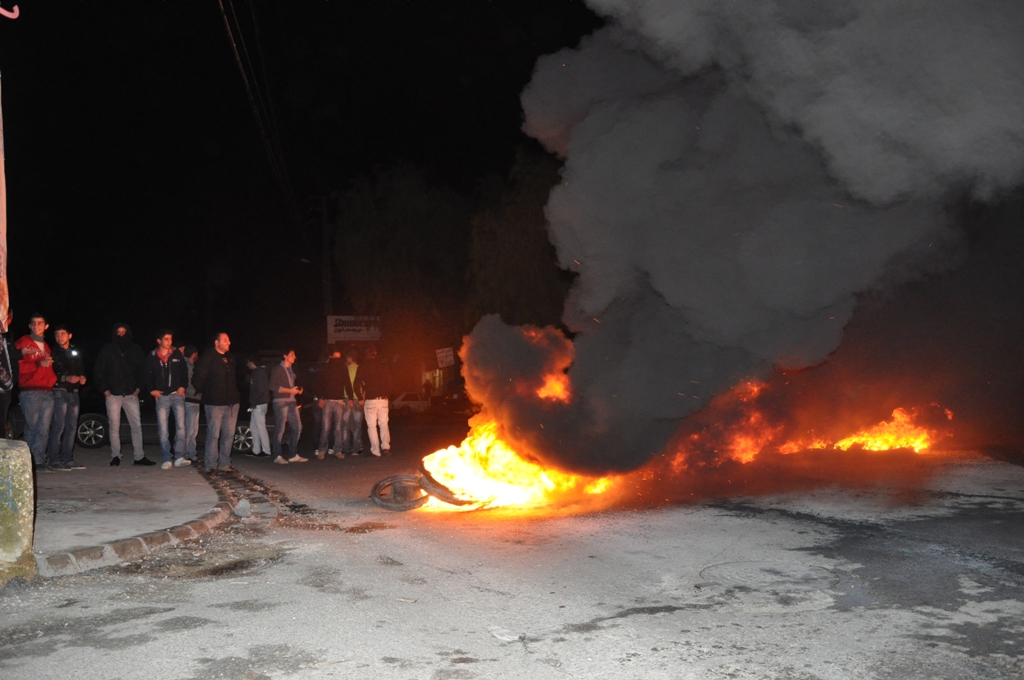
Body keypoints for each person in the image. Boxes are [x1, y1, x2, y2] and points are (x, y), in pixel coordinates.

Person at [94, 323, 153, 466]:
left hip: (131, 394)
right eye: (118, 332)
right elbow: (99, 370)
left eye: (124, 332)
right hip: (113, 394)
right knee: (114, 426)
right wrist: (104, 390)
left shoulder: (136, 349)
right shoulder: (107, 349)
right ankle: (116, 456)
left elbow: (143, 371)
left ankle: (139, 457)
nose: (121, 335)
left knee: (136, 426)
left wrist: (138, 388)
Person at [193, 332, 241, 473]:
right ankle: (211, 464)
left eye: (229, 340)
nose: (228, 342)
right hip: (215, 402)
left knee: (229, 434)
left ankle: (225, 462)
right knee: (214, 434)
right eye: (225, 340)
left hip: (232, 402)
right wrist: (206, 392)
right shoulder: (208, 358)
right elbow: (198, 378)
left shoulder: (230, 358)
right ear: (217, 342)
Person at [144, 329, 190, 470]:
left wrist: (183, 386)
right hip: (162, 397)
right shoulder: (152, 356)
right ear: (159, 341)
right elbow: (147, 374)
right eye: (166, 339)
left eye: (171, 339)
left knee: (181, 427)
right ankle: (166, 458)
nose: (169, 341)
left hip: (177, 395)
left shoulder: (177, 354)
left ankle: (179, 457)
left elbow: (184, 371)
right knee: (163, 429)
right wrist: (152, 391)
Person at [16, 314, 57, 471]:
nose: (36, 326)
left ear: (46, 326)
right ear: (29, 326)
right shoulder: (23, 343)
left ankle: (39, 460)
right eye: (33, 323)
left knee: (44, 428)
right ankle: (28, 461)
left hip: (47, 391)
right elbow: (18, 368)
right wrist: (39, 364)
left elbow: (48, 368)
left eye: (40, 323)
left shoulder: (45, 345)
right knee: (32, 427)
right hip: (31, 391)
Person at [47, 325, 87, 470]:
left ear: (69, 335)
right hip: (59, 391)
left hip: (74, 393)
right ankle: (54, 459)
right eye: (57, 334)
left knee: (71, 427)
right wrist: (66, 378)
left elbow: (80, 369)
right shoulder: (52, 351)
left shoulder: (74, 351)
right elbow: (51, 373)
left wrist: (82, 378)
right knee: (58, 426)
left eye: (62, 334)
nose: (59, 337)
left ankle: (68, 459)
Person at [269, 348, 307, 464]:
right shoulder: (278, 369)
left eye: (294, 354)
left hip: (292, 401)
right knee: (280, 429)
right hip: (281, 401)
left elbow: (292, 386)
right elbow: (273, 386)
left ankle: (293, 454)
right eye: (291, 354)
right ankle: (277, 455)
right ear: (285, 356)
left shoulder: (291, 370)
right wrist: (290, 390)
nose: (294, 357)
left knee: (297, 427)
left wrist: (298, 390)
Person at [313, 348, 349, 460]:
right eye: (335, 357)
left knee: (338, 427)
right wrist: (320, 398)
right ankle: (322, 450)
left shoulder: (343, 368)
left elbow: (347, 383)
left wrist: (351, 398)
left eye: (339, 357)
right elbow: (320, 384)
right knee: (326, 427)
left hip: (339, 401)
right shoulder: (325, 368)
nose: (337, 360)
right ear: (331, 357)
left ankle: (338, 450)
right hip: (328, 400)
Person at [359, 344, 393, 457]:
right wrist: (387, 394)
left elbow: (357, 383)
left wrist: (361, 397)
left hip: (370, 399)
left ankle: (375, 450)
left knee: (371, 426)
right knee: (383, 424)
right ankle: (386, 447)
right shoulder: (383, 366)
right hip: (383, 398)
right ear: (376, 353)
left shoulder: (363, 367)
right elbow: (390, 381)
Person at [246, 354, 271, 458]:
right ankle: (256, 450)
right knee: (253, 427)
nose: (247, 365)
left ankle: (266, 450)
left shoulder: (258, 373)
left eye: (248, 362)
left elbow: (259, 390)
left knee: (260, 427)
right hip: (259, 403)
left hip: (259, 404)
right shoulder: (258, 373)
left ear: (252, 362)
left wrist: (254, 403)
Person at [181, 345, 201, 463]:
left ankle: (191, 453)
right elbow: (190, 383)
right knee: (190, 430)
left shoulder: (190, 366)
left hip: (194, 400)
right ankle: (187, 453)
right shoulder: (188, 366)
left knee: (193, 430)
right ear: (194, 354)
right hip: (190, 399)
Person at [343, 350, 365, 456]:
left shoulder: (346, 369)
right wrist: (363, 397)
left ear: (350, 358)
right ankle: (356, 448)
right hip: (358, 398)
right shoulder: (360, 369)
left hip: (347, 398)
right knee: (357, 425)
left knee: (346, 425)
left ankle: (346, 447)